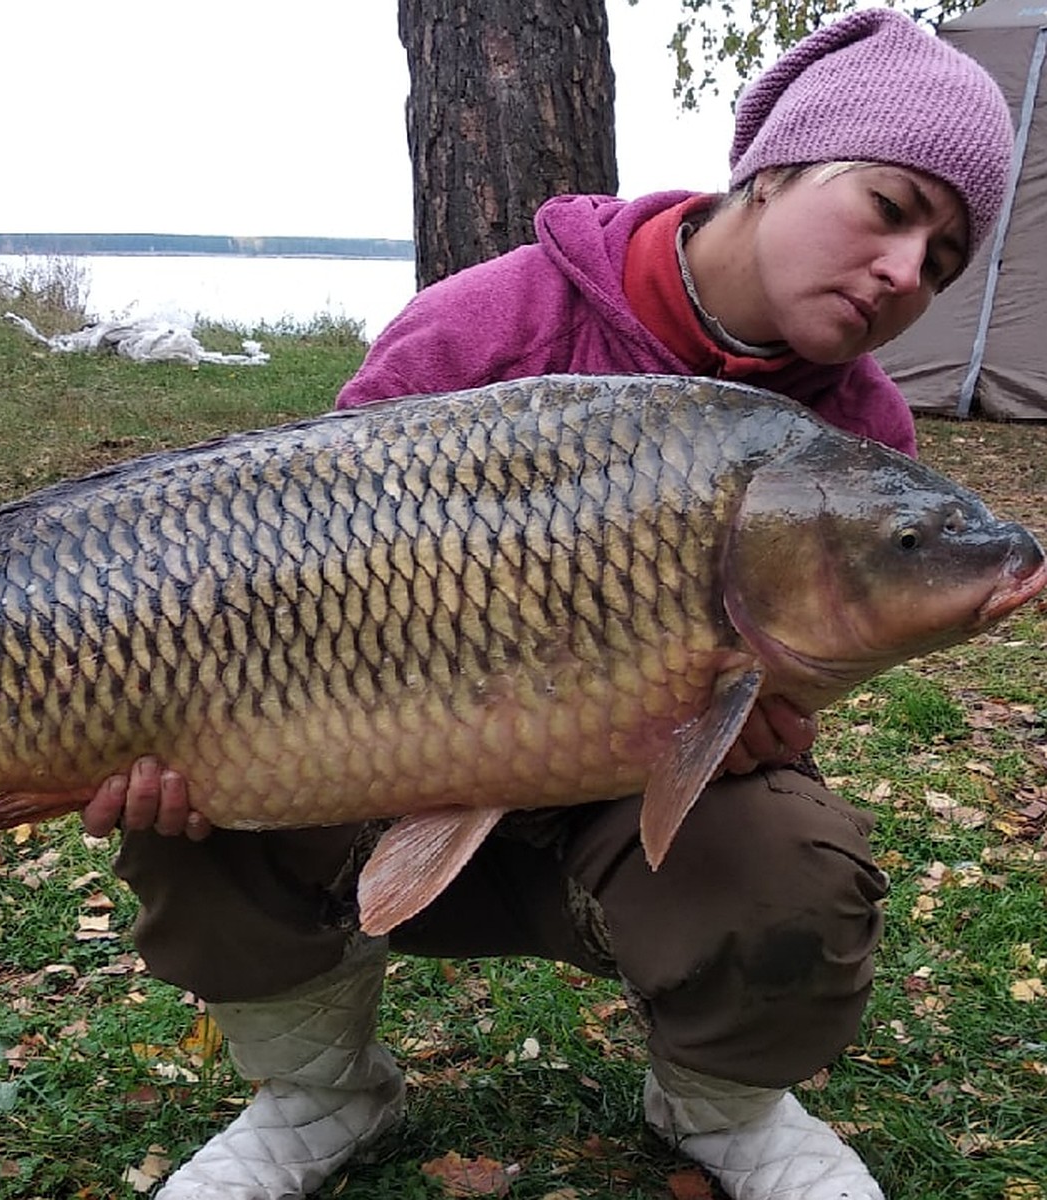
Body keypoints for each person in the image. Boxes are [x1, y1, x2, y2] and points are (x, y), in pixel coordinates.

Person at [82, 10, 1014, 1199]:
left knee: (793, 859)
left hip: (612, 806)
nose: (902, 272)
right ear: (772, 170)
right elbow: (284, 551)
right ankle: (321, 1095)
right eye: (888, 208)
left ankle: (718, 1105)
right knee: (188, 800)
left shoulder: (858, 430)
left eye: (942, 262)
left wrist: (771, 725)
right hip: (360, 766)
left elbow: (791, 672)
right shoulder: (481, 324)